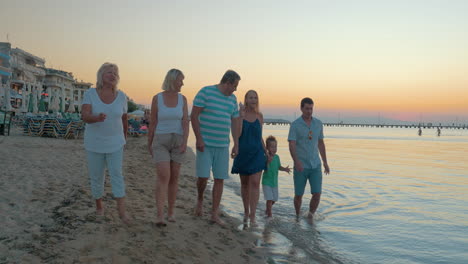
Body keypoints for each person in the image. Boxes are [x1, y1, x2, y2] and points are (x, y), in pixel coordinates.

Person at [81, 62, 130, 224]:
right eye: (109, 72)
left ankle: (122, 213)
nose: (113, 75)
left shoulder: (122, 96)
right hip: (94, 143)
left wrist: (124, 138)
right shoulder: (90, 94)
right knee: (96, 177)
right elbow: (85, 116)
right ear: (101, 75)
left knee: (117, 175)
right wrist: (97, 118)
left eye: (115, 73)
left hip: (116, 143)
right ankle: (99, 207)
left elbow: (124, 119)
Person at [191, 70, 241, 225]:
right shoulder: (205, 92)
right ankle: (199, 200)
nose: (236, 89)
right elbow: (194, 116)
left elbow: (234, 122)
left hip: (222, 146)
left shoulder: (232, 99)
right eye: (235, 86)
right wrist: (199, 138)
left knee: (220, 179)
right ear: (228, 82)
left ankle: (214, 213)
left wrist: (236, 144)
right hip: (205, 144)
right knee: (203, 177)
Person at [147, 69, 189, 226]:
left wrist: (185, 142)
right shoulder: (157, 98)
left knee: (175, 176)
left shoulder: (182, 99)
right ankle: (159, 215)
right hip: (161, 141)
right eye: (181, 80)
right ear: (172, 80)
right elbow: (153, 122)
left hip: (178, 141)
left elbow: (185, 121)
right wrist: (149, 142)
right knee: (164, 175)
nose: (182, 83)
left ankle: (171, 212)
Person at [288, 97, 330, 221]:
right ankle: (297, 216)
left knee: (317, 194)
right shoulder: (295, 125)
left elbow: (321, 143)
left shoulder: (318, 124)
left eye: (311, 109)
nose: (309, 111)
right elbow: (292, 144)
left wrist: (325, 162)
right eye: (307, 109)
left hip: (315, 165)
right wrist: (296, 161)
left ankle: (310, 216)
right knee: (298, 195)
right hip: (301, 166)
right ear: (301, 108)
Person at [231, 90, 267, 225]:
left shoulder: (260, 116)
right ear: (246, 99)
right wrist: (241, 116)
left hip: (257, 153)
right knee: (245, 184)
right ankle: (246, 211)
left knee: (255, 183)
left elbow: (260, 137)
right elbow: (238, 134)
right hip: (243, 153)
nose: (253, 100)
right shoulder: (241, 114)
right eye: (251, 97)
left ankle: (253, 216)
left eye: (255, 97)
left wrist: (266, 152)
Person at [262, 135, 291, 219]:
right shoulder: (265, 157)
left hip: (274, 182)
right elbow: (265, 168)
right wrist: (267, 162)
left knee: (275, 199)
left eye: (275, 147)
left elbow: (279, 167)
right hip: (266, 182)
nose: (274, 149)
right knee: (269, 199)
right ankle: (269, 215)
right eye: (272, 147)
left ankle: (267, 209)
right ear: (267, 148)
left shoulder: (277, 157)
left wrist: (285, 169)